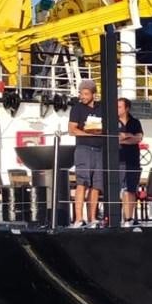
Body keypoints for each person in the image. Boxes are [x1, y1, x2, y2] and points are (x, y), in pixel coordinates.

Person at [67, 80, 104, 228]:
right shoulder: (77, 109)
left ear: (93, 94)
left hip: (99, 150)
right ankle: (78, 219)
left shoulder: (102, 108)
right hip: (83, 149)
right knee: (82, 183)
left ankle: (92, 218)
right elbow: (71, 129)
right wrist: (88, 134)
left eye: (86, 93)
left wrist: (99, 133)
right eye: (81, 93)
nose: (82, 96)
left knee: (96, 185)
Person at [117, 97, 144, 226]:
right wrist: (129, 137)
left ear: (126, 108)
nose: (117, 109)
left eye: (119, 107)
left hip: (133, 159)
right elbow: (115, 139)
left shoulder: (135, 122)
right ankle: (116, 217)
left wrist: (125, 137)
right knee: (118, 189)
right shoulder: (112, 122)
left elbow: (139, 138)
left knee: (131, 189)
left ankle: (129, 218)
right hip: (118, 159)